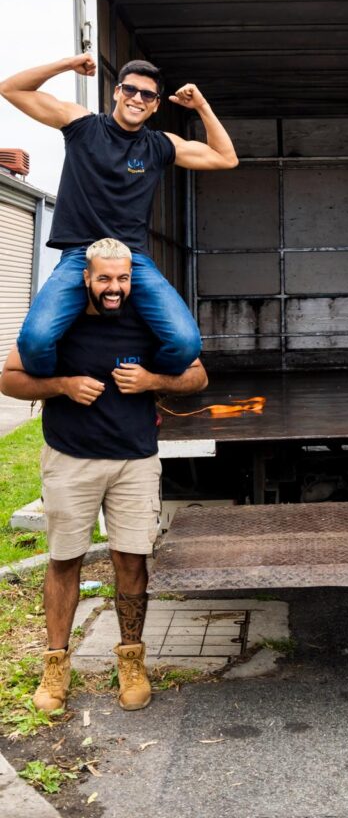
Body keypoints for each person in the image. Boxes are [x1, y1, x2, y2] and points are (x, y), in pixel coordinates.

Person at [0, 238, 208, 714]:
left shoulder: (149, 321)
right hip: (70, 459)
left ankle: (131, 661)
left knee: (131, 561)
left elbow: (198, 376)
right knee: (64, 560)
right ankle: (55, 666)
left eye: (123, 278)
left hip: (134, 460)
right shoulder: (58, 323)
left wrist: (153, 381)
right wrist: (63, 385)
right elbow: (9, 378)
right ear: (86, 279)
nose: (115, 288)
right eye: (105, 279)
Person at [0, 53, 238, 377]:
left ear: (155, 105)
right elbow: (11, 89)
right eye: (130, 89)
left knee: (185, 343)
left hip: (131, 259)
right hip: (79, 256)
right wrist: (68, 64)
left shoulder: (158, 145)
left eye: (147, 95)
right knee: (34, 341)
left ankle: (150, 389)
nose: (137, 98)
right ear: (116, 92)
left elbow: (225, 158)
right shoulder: (81, 124)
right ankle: (55, 389)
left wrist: (201, 106)